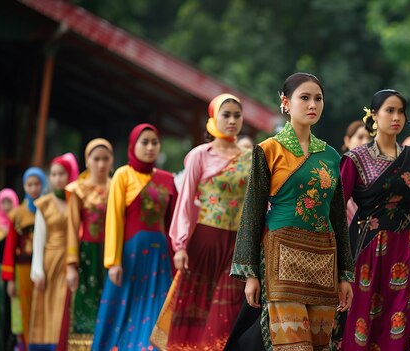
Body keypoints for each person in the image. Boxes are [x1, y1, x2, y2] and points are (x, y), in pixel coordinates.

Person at [225, 72, 355, 351]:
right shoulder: (269, 150)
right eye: (304, 98)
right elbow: (252, 212)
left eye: (318, 99)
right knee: (292, 344)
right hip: (281, 257)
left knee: (320, 344)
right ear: (285, 103)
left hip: (324, 259)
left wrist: (345, 273)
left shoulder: (331, 156)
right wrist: (250, 274)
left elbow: (337, 217)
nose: (313, 105)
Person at [151, 94, 251, 350]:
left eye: (237, 115)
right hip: (204, 242)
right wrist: (180, 246)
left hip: (236, 247)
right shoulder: (199, 155)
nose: (232, 120)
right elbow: (185, 202)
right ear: (213, 118)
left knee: (226, 311)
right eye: (225, 115)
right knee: (196, 307)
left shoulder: (252, 157)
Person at [335, 89, 410, 350]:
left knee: (401, 323)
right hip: (366, 250)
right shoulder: (356, 159)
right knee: (361, 322)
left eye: (401, 111)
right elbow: (336, 211)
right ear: (374, 115)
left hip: (406, 251)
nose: (396, 116)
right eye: (389, 110)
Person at [92, 124, 177, 351]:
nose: (150, 147)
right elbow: (114, 219)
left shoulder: (167, 179)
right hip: (129, 258)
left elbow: (172, 225)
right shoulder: (122, 174)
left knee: (156, 309)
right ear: (133, 145)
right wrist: (113, 261)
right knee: (121, 312)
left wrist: (176, 259)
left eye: (154, 142)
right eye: (144, 142)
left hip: (159, 260)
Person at [64, 139, 114, 350]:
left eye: (105, 159)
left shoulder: (116, 187)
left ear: (112, 161)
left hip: (111, 255)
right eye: (96, 159)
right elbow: (73, 227)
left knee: (109, 304)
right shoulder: (78, 189)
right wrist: (71, 264)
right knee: (83, 306)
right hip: (86, 254)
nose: (101, 164)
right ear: (87, 161)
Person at [29, 153, 79, 350]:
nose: (58, 178)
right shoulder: (45, 203)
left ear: (70, 175)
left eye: (62, 174)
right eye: (54, 174)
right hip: (50, 262)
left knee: (65, 307)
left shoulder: (76, 200)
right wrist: (37, 270)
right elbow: (39, 239)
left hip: (71, 261)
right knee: (48, 306)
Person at [2, 167, 46, 349]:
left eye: (37, 184)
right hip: (23, 268)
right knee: (25, 307)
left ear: (43, 185)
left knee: (43, 307)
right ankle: (28, 345)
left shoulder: (47, 208)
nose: (34, 188)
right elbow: (10, 247)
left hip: (45, 267)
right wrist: (9, 279)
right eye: (30, 184)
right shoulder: (17, 214)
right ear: (24, 186)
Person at [0, 188, 19, 350]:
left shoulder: (19, 222)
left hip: (17, 272)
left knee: (14, 308)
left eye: (9, 202)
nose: (6, 206)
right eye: (3, 202)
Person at [341, 120, 372, 226]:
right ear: (347, 141)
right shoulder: (336, 170)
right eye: (360, 137)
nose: (365, 142)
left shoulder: (377, 173)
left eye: (369, 138)